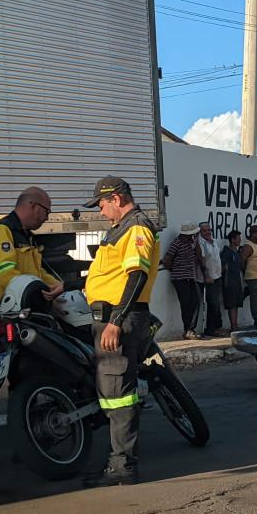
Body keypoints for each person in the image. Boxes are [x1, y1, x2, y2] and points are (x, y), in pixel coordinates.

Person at [0, 186, 65, 469]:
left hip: (24, 315)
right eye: (46, 212)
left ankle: (28, 445)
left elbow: (37, 271)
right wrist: (41, 290)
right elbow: (6, 276)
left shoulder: (27, 237)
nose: (46, 218)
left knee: (27, 378)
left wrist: (56, 283)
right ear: (33, 206)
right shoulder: (3, 232)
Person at [81, 176, 159, 487]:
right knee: (114, 392)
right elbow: (110, 274)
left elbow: (136, 275)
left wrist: (115, 320)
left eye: (101, 204)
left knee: (118, 395)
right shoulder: (121, 228)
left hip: (120, 321)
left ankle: (122, 466)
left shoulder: (136, 227)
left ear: (116, 198)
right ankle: (119, 461)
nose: (100, 211)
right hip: (113, 318)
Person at [163, 222, 202, 340]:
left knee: (195, 301)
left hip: (190, 277)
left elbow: (199, 256)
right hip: (180, 278)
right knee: (186, 304)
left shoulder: (192, 243)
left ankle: (191, 328)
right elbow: (167, 259)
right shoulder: (177, 243)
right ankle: (188, 330)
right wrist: (174, 269)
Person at [196, 222, 225, 337]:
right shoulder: (200, 243)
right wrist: (206, 276)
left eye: (209, 230)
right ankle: (211, 329)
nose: (208, 232)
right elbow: (202, 260)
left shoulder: (213, 241)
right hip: (208, 278)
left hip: (217, 276)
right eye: (205, 230)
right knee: (213, 303)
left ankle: (216, 327)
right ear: (200, 232)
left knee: (216, 303)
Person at [220, 230, 245, 331]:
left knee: (236, 304)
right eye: (238, 239)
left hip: (238, 281)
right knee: (232, 304)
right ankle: (233, 326)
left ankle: (235, 324)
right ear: (232, 239)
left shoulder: (237, 253)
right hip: (229, 281)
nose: (240, 240)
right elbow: (222, 267)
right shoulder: (226, 252)